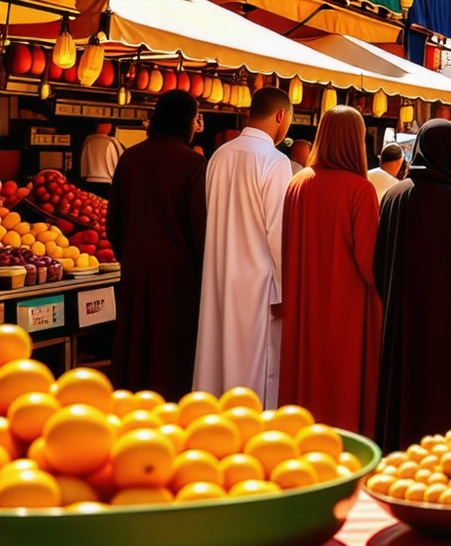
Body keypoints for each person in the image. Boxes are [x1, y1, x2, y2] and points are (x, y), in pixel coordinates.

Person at [375, 120, 451, 446]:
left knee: (405, 395)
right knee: (448, 408)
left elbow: (379, 264)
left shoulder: (393, 197)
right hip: (450, 327)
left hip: (401, 321)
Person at [279, 106, 380, 435]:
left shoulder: (297, 183)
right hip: (347, 309)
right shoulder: (359, 190)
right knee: (343, 390)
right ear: (357, 141)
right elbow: (371, 263)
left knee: (304, 380)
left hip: (303, 302)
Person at [195, 87, 294, 408]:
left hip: (219, 273)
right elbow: (279, 232)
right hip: (259, 284)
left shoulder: (219, 155)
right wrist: (284, 290)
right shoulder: (275, 162)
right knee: (255, 372)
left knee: (218, 359)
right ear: (281, 116)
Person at [107, 90, 206, 398]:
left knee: (134, 349)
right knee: (171, 358)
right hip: (179, 278)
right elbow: (200, 228)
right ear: (188, 122)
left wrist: (129, 256)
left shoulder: (130, 157)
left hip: (136, 269)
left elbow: (113, 222)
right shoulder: (193, 164)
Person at [80, 122, 123, 198]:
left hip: (90, 180)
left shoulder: (89, 141)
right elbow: (119, 159)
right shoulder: (112, 142)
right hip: (107, 181)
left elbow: (83, 160)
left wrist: (83, 174)